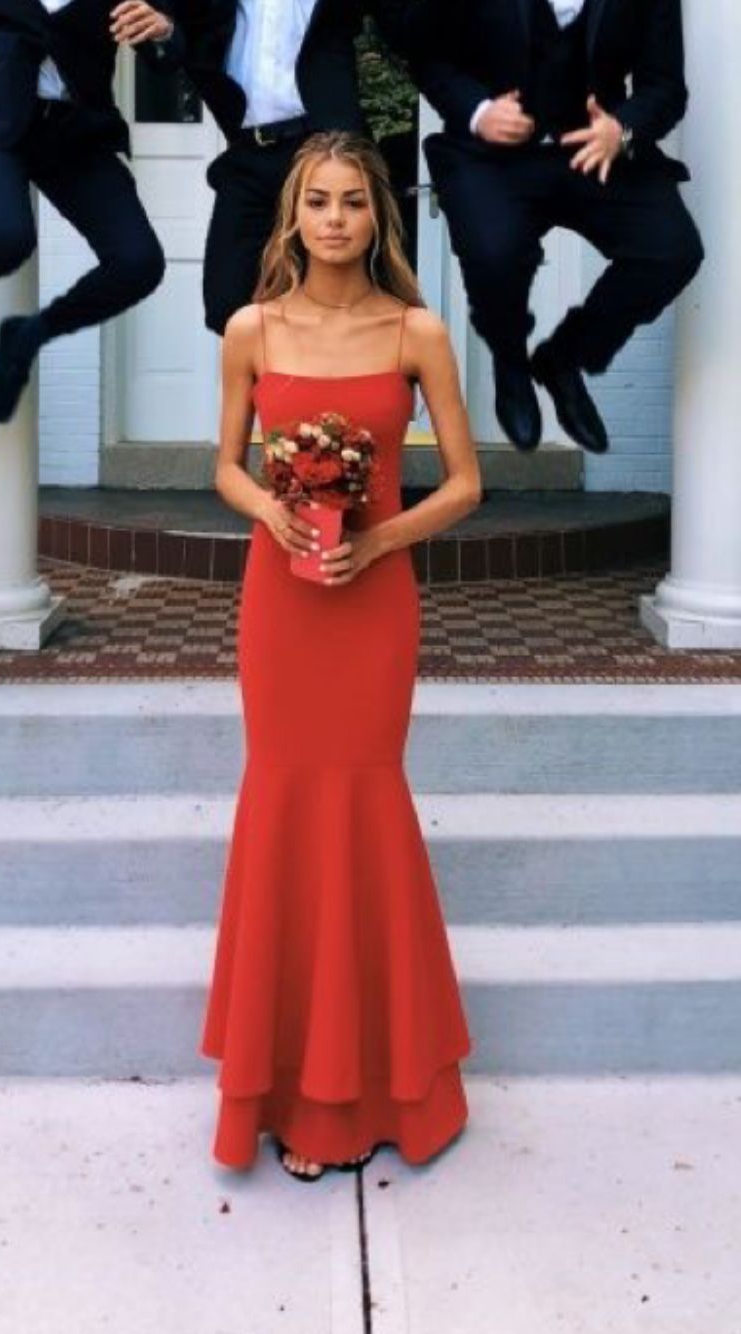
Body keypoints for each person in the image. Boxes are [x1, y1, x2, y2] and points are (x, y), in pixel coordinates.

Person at [200, 130, 480, 1180]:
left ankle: (382, 1090)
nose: (333, 219)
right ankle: (284, 1092)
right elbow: (225, 465)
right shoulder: (252, 328)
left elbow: (466, 484)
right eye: (317, 201)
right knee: (282, 801)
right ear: (292, 214)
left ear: (377, 216)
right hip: (282, 602)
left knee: (364, 800)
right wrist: (270, 509)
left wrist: (380, 538)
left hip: (374, 600)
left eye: (352, 201)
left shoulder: (417, 332)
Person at [406, 0, 704, 454]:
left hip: (594, 148)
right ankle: (510, 362)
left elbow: (665, 88)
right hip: (492, 157)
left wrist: (622, 130)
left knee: (671, 250)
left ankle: (564, 358)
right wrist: (479, 111)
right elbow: (429, 58)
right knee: (494, 253)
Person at [170, 0, 430, 337]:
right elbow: (183, 36)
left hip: (323, 145)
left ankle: (342, 365)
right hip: (249, 149)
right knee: (227, 304)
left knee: (345, 291)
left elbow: (405, 29)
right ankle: (289, 366)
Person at [0, 0, 183, 425]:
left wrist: (165, 29)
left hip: (75, 133)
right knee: (5, 238)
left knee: (138, 263)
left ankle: (27, 335)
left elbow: (167, 56)